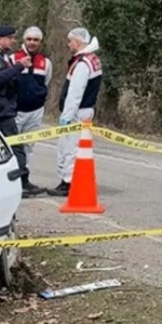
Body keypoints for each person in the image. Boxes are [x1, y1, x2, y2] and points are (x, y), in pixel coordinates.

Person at [0, 25, 35, 196]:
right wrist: (19, 66)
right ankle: (20, 183)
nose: (13, 41)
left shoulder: (1, 56)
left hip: (1, 107)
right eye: (10, 38)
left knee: (5, 146)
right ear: (0, 38)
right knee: (14, 146)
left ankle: (18, 181)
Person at [52, 27, 103, 197]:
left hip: (78, 112)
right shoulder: (91, 59)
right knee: (70, 147)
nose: (68, 44)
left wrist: (66, 116)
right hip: (84, 110)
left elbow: (75, 93)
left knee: (70, 147)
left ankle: (68, 182)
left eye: (70, 41)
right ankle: (67, 179)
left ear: (78, 42)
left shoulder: (83, 63)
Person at [10, 26, 52, 196]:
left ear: (40, 42)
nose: (32, 43)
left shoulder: (46, 62)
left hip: (36, 110)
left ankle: (24, 180)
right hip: (16, 111)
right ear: (24, 40)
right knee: (13, 146)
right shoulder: (14, 58)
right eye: (29, 39)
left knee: (28, 147)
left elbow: (46, 83)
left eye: (36, 40)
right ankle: (13, 180)